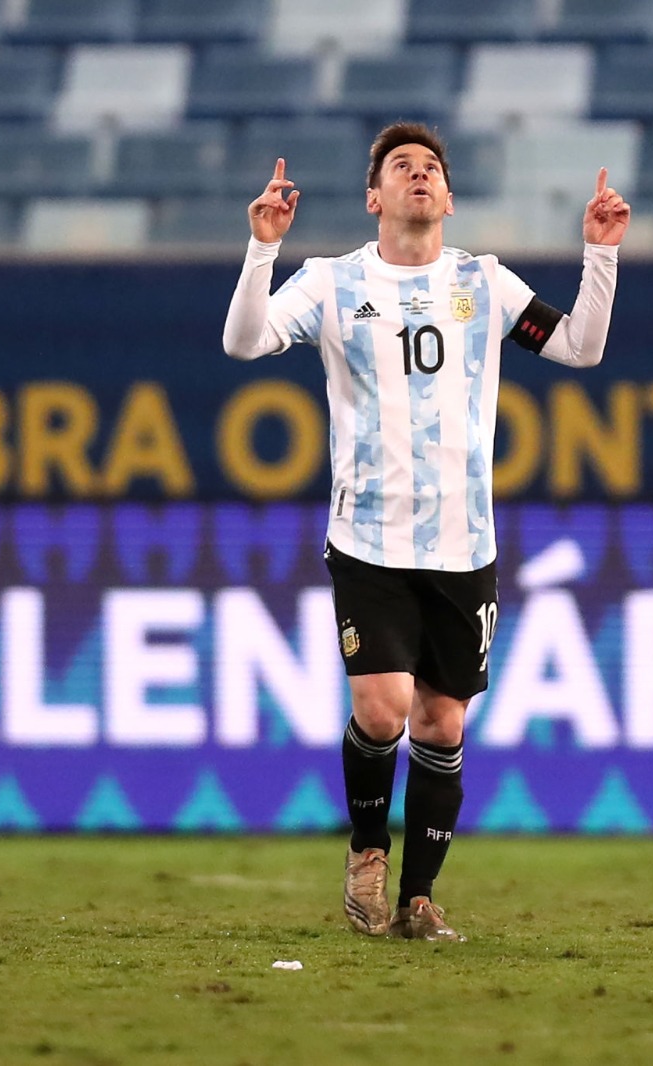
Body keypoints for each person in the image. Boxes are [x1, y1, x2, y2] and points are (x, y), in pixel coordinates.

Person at [223, 122, 631, 941]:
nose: (420, 174)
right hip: (369, 539)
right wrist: (261, 251)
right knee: (382, 708)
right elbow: (245, 341)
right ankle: (367, 854)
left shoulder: (484, 282)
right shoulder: (332, 282)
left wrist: (601, 255)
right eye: (402, 166)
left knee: (441, 725)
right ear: (375, 198)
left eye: (432, 168)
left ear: (447, 198)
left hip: (463, 546)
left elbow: (581, 349)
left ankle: (418, 899)